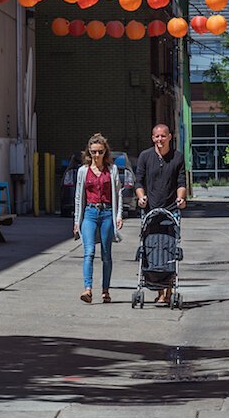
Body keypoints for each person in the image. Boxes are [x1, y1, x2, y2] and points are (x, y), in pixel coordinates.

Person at [135, 124, 187, 305]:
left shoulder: (177, 157)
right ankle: (157, 289)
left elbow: (181, 182)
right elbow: (139, 182)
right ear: (152, 138)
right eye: (156, 136)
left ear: (169, 137)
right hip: (150, 210)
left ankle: (168, 291)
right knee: (151, 247)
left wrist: (181, 199)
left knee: (169, 247)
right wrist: (141, 198)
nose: (160, 140)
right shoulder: (145, 156)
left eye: (163, 136)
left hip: (171, 210)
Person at [73, 133, 124, 304]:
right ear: (88, 152)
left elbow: (118, 193)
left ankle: (105, 290)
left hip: (107, 213)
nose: (96, 155)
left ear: (105, 152)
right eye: (93, 152)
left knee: (106, 254)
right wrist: (76, 221)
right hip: (89, 213)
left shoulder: (112, 170)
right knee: (88, 252)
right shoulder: (83, 171)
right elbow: (78, 197)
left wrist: (118, 215)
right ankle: (88, 289)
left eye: (100, 152)